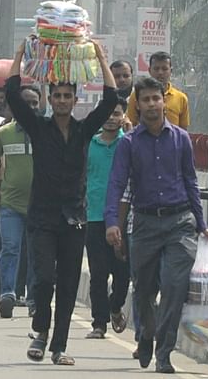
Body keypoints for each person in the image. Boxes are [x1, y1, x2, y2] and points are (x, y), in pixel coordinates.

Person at [7, 40, 117, 366]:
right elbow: (13, 93)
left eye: (68, 96)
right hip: (41, 217)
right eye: (57, 96)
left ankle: (58, 347)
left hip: (75, 219)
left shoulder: (84, 131)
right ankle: (40, 330)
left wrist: (100, 57)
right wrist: (18, 55)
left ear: (75, 100)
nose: (63, 101)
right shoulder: (38, 128)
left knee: (68, 284)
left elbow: (111, 99)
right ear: (49, 99)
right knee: (43, 278)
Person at [105, 77, 208, 374]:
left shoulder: (180, 139)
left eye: (156, 98)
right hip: (145, 224)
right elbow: (116, 183)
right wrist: (112, 222)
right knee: (143, 290)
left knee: (175, 286)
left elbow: (191, 181)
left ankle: (164, 353)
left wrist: (201, 223)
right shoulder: (128, 144)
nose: (152, 104)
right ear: (137, 106)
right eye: (146, 100)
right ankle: (147, 333)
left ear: (163, 102)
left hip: (180, 223)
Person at [0, 84, 40, 318]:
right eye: (24, 102)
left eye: (34, 103)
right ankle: (7, 293)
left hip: (41, 207)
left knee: (38, 254)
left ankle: (34, 298)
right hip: (10, 205)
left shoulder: (48, 131)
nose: (30, 107)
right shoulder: (4, 133)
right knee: (10, 249)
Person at [84, 97, 131, 339]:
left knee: (123, 273)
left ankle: (115, 306)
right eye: (108, 114)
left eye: (117, 114)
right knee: (98, 274)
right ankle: (99, 323)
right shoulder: (89, 144)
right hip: (94, 217)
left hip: (123, 219)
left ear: (124, 117)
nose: (112, 118)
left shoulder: (129, 144)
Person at [127, 52, 189, 129]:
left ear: (171, 71)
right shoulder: (137, 95)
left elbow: (183, 129)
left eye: (164, 69)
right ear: (149, 70)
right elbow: (130, 123)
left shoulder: (181, 98)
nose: (160, 72)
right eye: (156, 69)